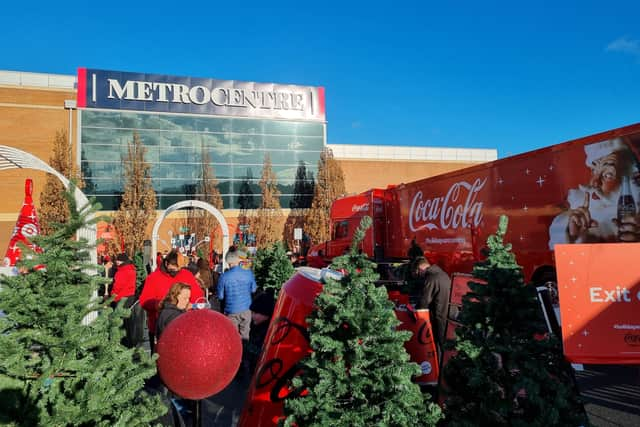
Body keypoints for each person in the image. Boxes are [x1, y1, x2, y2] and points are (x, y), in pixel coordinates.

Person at [549, 137, 640, 247]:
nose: (594, 183)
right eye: (593, 170)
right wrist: (572, 235)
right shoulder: (579, 211)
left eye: (607, 175)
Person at [140, 250, 204, 353]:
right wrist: (160, 304)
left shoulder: (186, 275)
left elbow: (197, 296)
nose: (177, 270)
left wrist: (190, 304)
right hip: (160, 327)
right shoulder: (153, 278)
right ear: (166, 263)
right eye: (174, 267)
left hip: (184, 326)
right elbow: (144, 301)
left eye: (179, 268)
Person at [413, 257, 452, 360]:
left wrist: (415, 310)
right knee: (449, 345)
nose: (419, 276)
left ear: (420, 268)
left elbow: (424, 301)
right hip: (450, 314)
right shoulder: (443, 274)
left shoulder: (431, 278)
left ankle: (441, 371)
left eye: (417, 273)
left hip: (440, 317)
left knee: (440, 346)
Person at [216, 250, 257, 341]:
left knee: (233, 338)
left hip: (231, 311)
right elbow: (253, 289)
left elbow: (220, 296)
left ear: (228, 262)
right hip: (246, 309)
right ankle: (245, 353)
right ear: (238, 260)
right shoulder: (248, 273)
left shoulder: (224, 277)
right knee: (245, 336)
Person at [247, 292, 276, 373]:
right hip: (253, 364)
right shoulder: (255, 324)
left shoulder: (270, 331)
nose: (252, 316)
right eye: (252, 312)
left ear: (266, 314)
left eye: (256, 313)